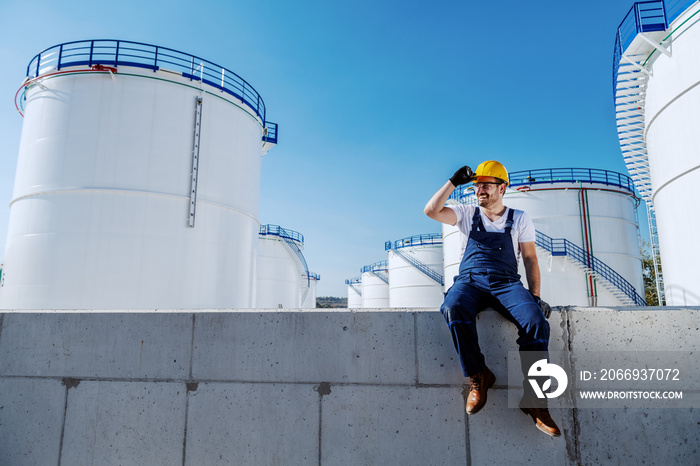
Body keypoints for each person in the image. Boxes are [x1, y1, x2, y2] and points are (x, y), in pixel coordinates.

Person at [424, 160, 560, 437]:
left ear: (502, 188)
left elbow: (531, 259)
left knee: (536, 322)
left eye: (486, 185)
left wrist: (535, 296)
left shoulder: (519, 218)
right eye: (476, 186)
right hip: (470, 281)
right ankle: (479, 375)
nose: (479, 191)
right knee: (452, 307)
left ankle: (535, 399)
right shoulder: (466, 213)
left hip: (506, 283)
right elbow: (431, 210)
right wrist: (452, 182)